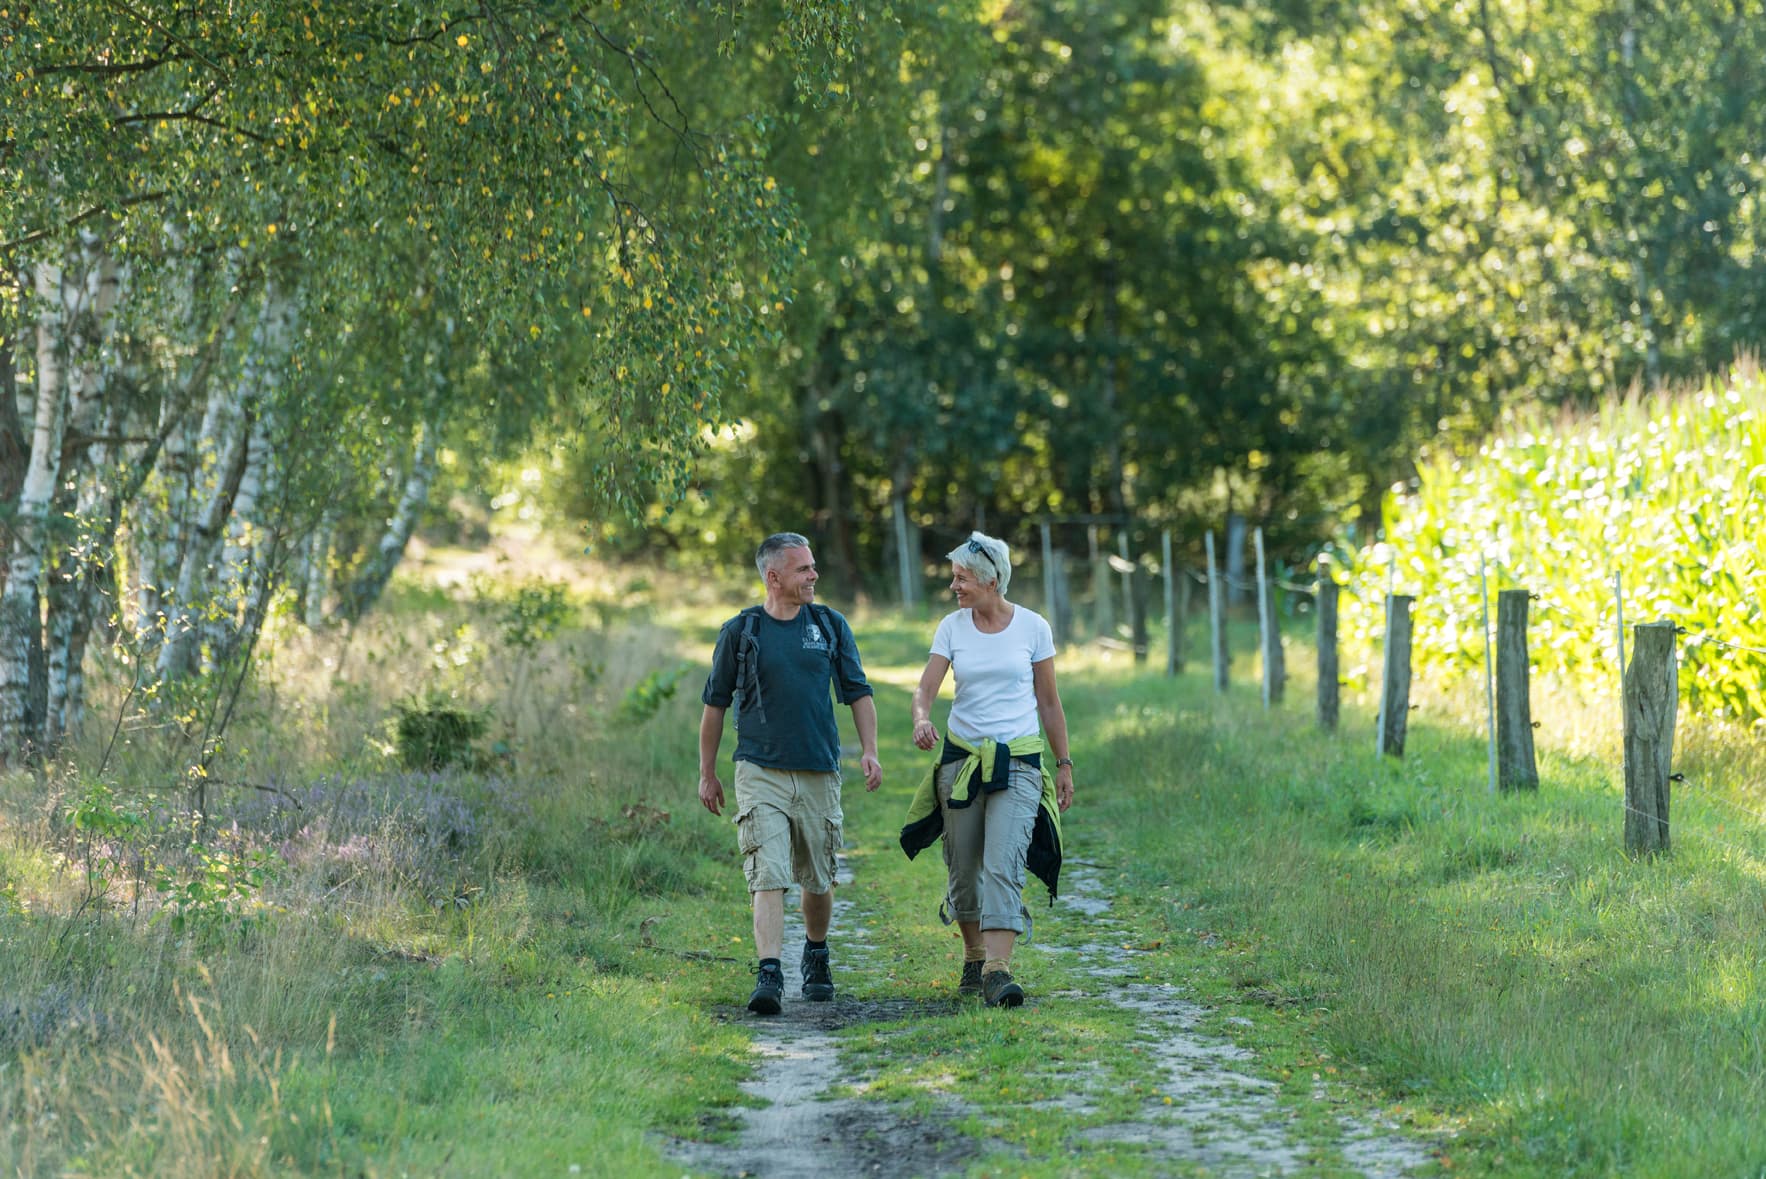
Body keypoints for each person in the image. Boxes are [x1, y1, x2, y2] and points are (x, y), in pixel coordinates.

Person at [699, 532, 883, 1014]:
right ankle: (769, 973)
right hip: (759, 770)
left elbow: (858, 692)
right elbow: (715, 706)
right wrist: (707, 773)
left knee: (818, 876)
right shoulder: (741, 632)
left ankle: (817, 953)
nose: (814, 576)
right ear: (773, 577)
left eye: (814, 567)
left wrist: (870, 750)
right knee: (768, 871)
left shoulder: (828, 624)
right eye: (803, 569)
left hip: (820, 768)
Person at [900, 531, 1074, 1008]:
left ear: (992, 579)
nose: (955, 586)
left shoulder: (1034, 627)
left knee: (1004, 861)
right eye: (954, 578)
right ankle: (974, 955)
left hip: (1018, 761)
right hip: (962, 762)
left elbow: (1049, 701)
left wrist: (1063, 764)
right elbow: (926, 688)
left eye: (962, 578)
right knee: (962, 866)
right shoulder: (952, 627)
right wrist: (921, 718)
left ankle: (998, 970)